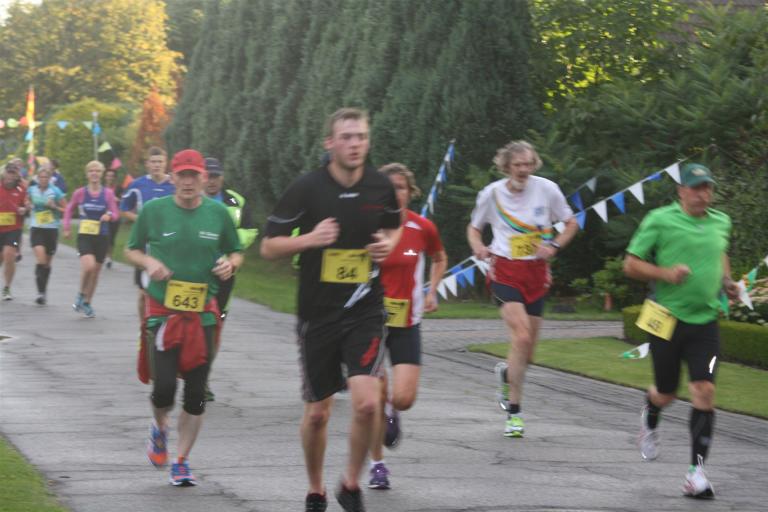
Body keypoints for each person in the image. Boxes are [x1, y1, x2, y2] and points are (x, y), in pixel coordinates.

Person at [261, 108, 401, 512]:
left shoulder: (380, 186)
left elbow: (394, 225)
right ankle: (315, 488)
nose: (355, 144)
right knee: (318, 414)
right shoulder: (307, 188)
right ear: (330, 143)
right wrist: (309, 239)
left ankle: (350, 484)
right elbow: (269, 247)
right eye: (347, 137)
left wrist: (387, 244)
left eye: (361, 137)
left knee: (368, 403)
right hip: (318, 314)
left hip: (365, 309)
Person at [126, 149, 243, 487]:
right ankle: (159, 427)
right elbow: (131, 249)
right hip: (164, 313)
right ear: (173, 178)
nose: (188, 181)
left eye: (194, 175)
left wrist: (231, 263)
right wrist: (149, 262)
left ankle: (181, 461)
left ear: (203, 178)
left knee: (195, 394)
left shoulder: (218, 214)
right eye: (182, 175)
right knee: (164, 388)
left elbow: (236, 250)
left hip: (202, 314)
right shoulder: (154, 211)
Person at [623, 163, 738, 499]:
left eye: (708, 188)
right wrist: (665, 273)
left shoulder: (721, 221)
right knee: (667, 392)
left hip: (705, 322)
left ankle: (696, 474)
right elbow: (630, 264)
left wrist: (727, 282)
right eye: (696, 188)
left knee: (704, 389)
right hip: (665, 319)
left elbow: (720, 252)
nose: (703, 194)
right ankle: (651, 410)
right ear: (681, 191)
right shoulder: (659, 219)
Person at [467, 140, 577, 438]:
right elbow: (474, 228)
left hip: (536, 273)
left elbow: (571, 223)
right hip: (505, 270)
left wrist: (554, 246)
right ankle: (514, 413)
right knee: (522, 335)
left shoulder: (547, 189)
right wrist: (478, 246)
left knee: (528, 355)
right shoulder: (491, 194)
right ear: (506, 166)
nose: (524, 170)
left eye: (528, 164)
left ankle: (507, 372)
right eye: (518, 165)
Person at [367, 163, 446, 491]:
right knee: (373, 396)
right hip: (369, 321)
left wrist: (432, 290)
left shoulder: (422, 227)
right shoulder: (366, 225)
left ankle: (392, 409)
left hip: (406, 321)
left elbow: (439, 258)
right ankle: (377, 465)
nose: (394, 193)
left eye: (400, 187)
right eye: (388, 187)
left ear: (410, 192)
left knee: (403, 398)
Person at [201, 156, 258, 401]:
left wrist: (231, 242)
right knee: (192, 325)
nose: (212, 181)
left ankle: (203, 378)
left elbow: (251, 230)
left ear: (222, 177)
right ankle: (190, 374)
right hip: (195, 274)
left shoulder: (236, 201)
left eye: (215, 176)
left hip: (225, 273)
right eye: (208, 176)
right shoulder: (191, 199)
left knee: (215, 327)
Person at [120, 147, 175, 318]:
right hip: (144, 248)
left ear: (166, 163)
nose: (157, 165)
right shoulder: (137, 185)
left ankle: (167, 324)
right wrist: (141, 220)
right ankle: (143, 327)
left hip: (170, 246)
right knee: (143, 294)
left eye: (160, 162)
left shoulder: (174, 184)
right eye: (153, 162)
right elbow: (124, 209)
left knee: (169, 290)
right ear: (147, 164)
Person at [63, 161, 120, 318]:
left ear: (101, 174)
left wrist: (109, 215)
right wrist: (66, 227)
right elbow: (69, 209)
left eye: (97, 171)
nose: (94, 173)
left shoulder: (107, 193)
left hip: (102, 236)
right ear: (87, 174)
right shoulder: (80, 193)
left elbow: (116, 213)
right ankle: (81, 294)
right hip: (85, 235)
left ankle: (87, 303)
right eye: (91, 171)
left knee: (95, 272)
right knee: (88, 266)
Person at [27, 166, 67, 304]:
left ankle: (43, 291)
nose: (43, 179)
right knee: (41, 260)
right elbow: (27, 201)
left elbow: (66, 209)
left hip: (51, 229)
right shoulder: (32, 189)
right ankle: (40, 293)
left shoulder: (55, 191)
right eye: (41, 177)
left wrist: (54, 206)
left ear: (50, 178)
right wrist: (28, 205)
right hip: (36, 228)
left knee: (47, 263)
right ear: (38, 178)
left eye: (46, 177)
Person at [0, 162, 30, 300]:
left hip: (13, 228)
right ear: (4, 173)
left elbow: (28, 205)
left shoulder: (21, 190)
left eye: (13, 173)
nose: (10, 176)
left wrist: (24, 209)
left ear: (16, 175)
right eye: (9, 173)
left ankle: (7, 287)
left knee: (9, 256)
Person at [103, 167, 124, 269]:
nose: (110, 178)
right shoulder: (101, 188)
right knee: (103, 237)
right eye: (108, 176)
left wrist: (117, 199)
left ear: (115, 178)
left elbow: (124, 201)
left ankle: (109, 258)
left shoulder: (119, 188)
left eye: (112, 176)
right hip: (103, 216)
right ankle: (102, 255)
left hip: (115, 217)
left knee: (111, 238)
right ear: (105, 177)